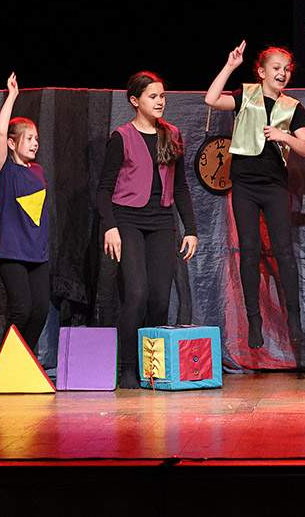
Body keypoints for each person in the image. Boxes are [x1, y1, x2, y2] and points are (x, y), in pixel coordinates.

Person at [204, 40, 305, 350]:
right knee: (250, 251)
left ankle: (294, 320)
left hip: (274, 186)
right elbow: (211, 99)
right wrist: (230, 66)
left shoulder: (292, 107)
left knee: (284, 252)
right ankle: (254, 319)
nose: (282, 73)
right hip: (245, 186)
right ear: (262, 71)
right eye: (276, 68)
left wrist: (284, 137)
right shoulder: (246, 96)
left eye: (287, 69)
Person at [97, 72, 198, 387]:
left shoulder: (172, 134)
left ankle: (151, 366)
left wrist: (191, 229)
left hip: (161, 221)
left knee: (159, 299)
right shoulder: (121, 137)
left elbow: (180, 187)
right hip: (128, 219)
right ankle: (127, 366)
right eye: (153, 96)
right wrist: (110, 227)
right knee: (137, 294)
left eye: (162, 96)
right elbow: (103, 190)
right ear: (135, 101)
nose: (160, 101)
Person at [0, 73, 52, 353]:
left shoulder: (38, 171)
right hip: (13, 252)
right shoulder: (6, 170)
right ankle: (6, 363)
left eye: (36, 138)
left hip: (37, 254)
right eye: (28, 138)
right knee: (21, 308)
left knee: (40, 310)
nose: (35, 143)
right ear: (13, 143)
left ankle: (22, 360)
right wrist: (12, 96)